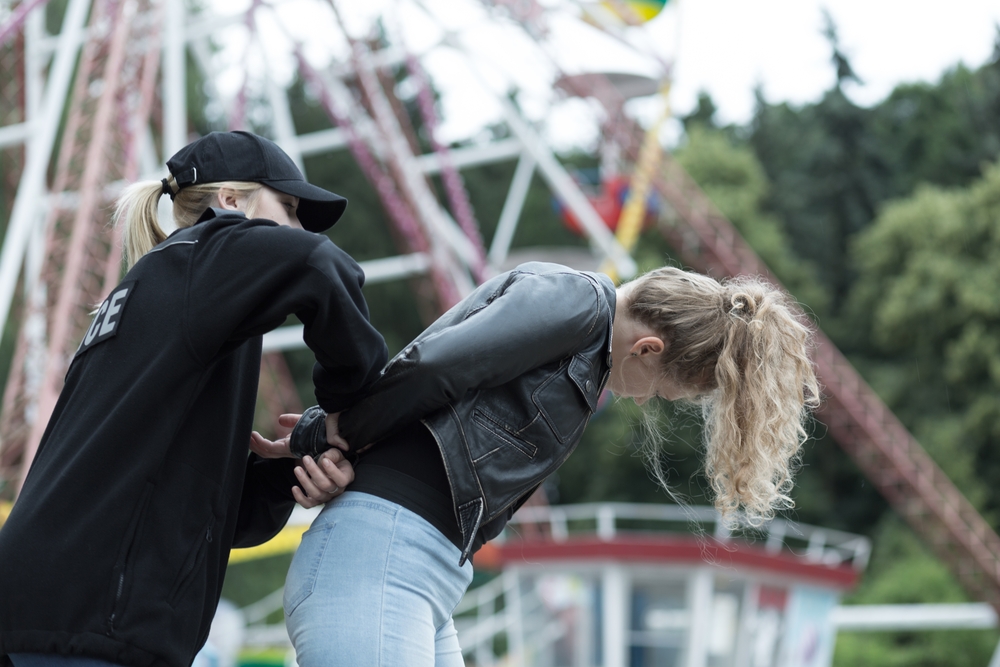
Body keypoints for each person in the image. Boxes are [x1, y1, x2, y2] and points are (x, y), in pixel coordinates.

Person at [258, 261, 819, 667]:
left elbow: (438, 395)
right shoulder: (577, 301)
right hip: (384, 558)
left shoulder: (583, 335)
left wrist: (332, 439)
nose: (645, 400)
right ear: (647, 349)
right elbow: (437, 369)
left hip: (412, 567)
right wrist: (338, 430)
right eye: (662, 390)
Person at [0, 131, 389, 667]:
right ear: (230, 202)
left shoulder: (157, 293)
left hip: (51, 607)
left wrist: (293, 469)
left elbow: (210, 521)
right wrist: (354, 407)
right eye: (290, 209)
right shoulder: (205, 254)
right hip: (94, 621)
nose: (298, 228)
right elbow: (316, 261)